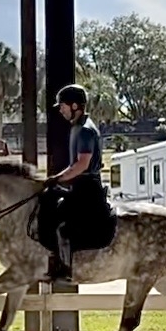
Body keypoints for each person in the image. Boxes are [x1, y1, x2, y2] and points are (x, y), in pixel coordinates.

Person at [44, 83, 105, 282]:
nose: (61, 110)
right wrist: (57, 179)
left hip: (87, 188)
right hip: (80, 186)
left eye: (63, 106)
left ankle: (66, 269)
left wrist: (57, 179)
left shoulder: (85, 130)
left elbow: (82, 164)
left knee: (62, 225)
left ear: (75, 106)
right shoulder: (77, 127)